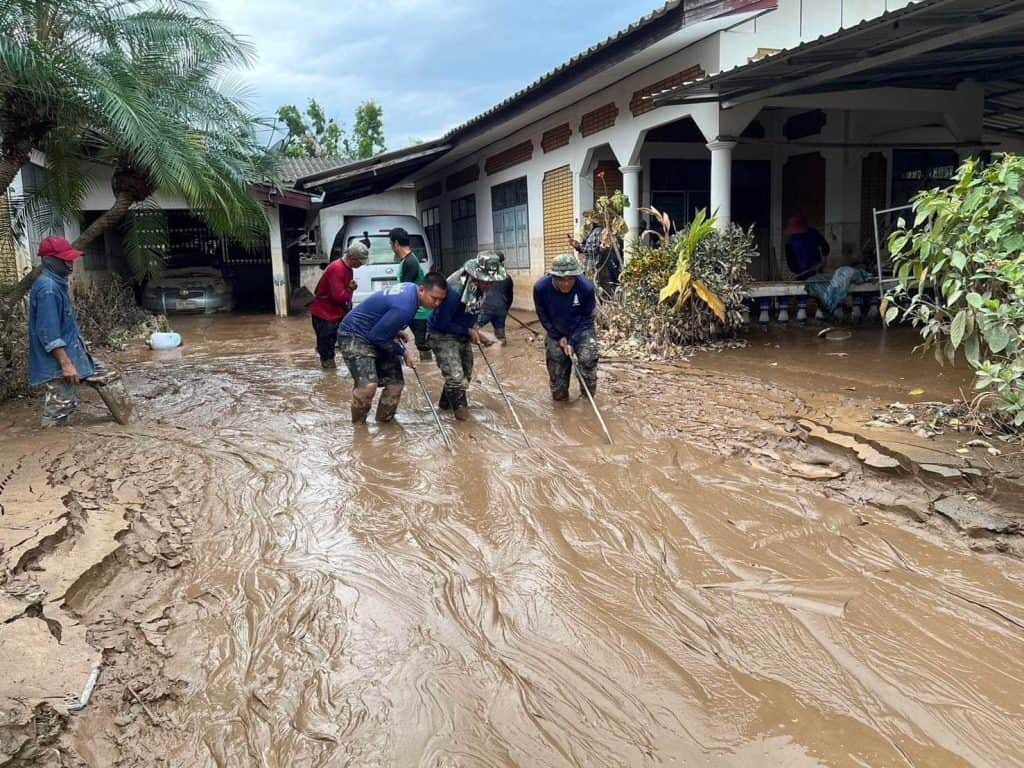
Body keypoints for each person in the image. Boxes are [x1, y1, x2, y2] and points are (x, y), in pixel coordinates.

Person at [337, 273, 448, 423]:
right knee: (368, 386)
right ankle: (359, 428)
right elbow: (377, 337)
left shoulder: (412, 289)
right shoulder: (405, 307)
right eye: (434, 298)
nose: (437, 303)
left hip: (376, 333)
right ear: (422, 290)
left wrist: (394, 329)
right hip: (354, 334)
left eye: (441, 300)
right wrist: (404, 353)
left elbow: (384, 316)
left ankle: (384, 424)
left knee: (395, 385)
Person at [428, 252, 507, 420]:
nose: (489, 285)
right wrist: (468, 331)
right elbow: (442, 323)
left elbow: (473, 311)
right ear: (476, 275)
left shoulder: (479, 287)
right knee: (456, 379)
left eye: (491, 281)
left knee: (465, 374)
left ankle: (445, 409)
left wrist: (474, 328)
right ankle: (463, 421)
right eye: (486, 281)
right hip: (442, 333)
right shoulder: (455, 290)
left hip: (462, 330)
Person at [28, 236, 98, 426]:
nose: (71, 262)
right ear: (50, 261)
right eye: (66, 259)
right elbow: (49, 334)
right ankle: (51, 442)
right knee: (58, 415)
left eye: (71, 258)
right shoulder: (48, 289)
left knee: (66, 409)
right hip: (58, 363)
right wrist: (66, 364)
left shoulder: (56, 283)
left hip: (68, 356)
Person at [533, 254, 598, 402]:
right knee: (556, 367)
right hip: (556, 329)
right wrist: (557, 336)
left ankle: (587, 400)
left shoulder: (586, 288)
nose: (566, 283)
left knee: (588, 359)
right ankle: (561, 402)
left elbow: (587, 318)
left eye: (570, 279)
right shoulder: (541, 288)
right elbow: (542, 315)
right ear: (553, 276)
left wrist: (573, 341)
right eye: (561, 279)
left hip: (581, 329)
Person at [308, 241, 368, 369]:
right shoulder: (337, 268)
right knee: (327, 351)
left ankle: (328, 366)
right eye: (360, 262)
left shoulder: (348, 269)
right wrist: (350, 289)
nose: (361, 265)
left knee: (339, 342)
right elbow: (339, 297)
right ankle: (328, 372)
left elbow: (344, 296)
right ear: (352, 258)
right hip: (325, 315)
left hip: (335, 313)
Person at [390, 226, 433, 360]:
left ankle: (428, 366)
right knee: (421, 343)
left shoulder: (410, 262)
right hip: (414, 311)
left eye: (391, 243)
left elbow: (406, 290)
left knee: (423, 344)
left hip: (420, 312)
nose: (391, 247)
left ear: (396, 243)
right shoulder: (406, 260)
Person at [566, 213, 621, 293]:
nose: (586, 222)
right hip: (595, 266)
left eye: (588, 220)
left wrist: (579, 246)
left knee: (596, 290)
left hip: (595, 266)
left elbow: (594, 250)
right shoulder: (594, 232)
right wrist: (578, 246)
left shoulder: (597, 231)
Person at [476, 251, 514, 344]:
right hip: (501, 309)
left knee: (473, 328)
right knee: (500, 336)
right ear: (502, 262)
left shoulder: (482, 275)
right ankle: (499, 345)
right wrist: (505, 309)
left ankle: (487, 341)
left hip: (486, 308)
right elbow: (510, 297)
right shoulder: (507, 277)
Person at [785, 214, 830, 280]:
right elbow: (791, 261)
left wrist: (824, 260)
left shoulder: (813, 233)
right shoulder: (790, 243)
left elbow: (825, 246)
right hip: (801, 273)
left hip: (816, 270)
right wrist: (795, 272)